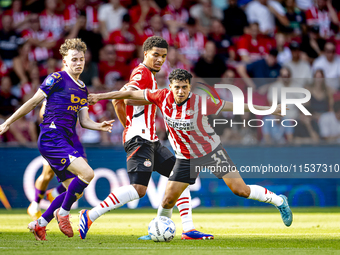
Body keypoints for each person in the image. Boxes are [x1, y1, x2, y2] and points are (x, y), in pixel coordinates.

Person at [88, 68, 293, 233]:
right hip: (186, 158)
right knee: (168, 200)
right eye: (177, 87)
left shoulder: (201, 102)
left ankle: (279, 201)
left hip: (212, 152)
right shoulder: (161, 96)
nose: (180, 92)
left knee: (241, 190)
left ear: (189, 87)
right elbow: (129, 94)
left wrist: (270, 109)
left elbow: (235, 105)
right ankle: (158, 231)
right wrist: (100, 96)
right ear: (170, 87)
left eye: (184, 88)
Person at [78, 36, 213, 241]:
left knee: (181, 177)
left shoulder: (148, 75)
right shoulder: (141, 73)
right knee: (139, 189)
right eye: (155, 55)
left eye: (163, 56)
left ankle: (188, 229)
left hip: (150, 139)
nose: (160, 60)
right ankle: (90, 215)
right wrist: (129, 126)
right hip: (139, 139)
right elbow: (123, 96)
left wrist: (127, 123)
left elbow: (120, 98)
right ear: (145, 54)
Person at [0, 38, 114, 241]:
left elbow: (84, 121)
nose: (78, 63)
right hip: (51, 138)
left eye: (81, 59)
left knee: (75, 189)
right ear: (65, 61)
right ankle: (62, 213)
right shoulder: (57, 78)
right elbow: (33, 102)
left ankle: (40, 224)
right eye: (74, 59)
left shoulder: (82, 88)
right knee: (87, 173)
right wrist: (8, 122)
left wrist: (99, 126)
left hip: (65, 140)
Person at [27, 100, 87, 220]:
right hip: (56, 138)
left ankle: (54, 194)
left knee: (84, 171)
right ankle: (35, 204)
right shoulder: (56, 90)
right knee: (47, 175)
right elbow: (42, 114)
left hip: (72, 137)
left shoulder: (78, 91)